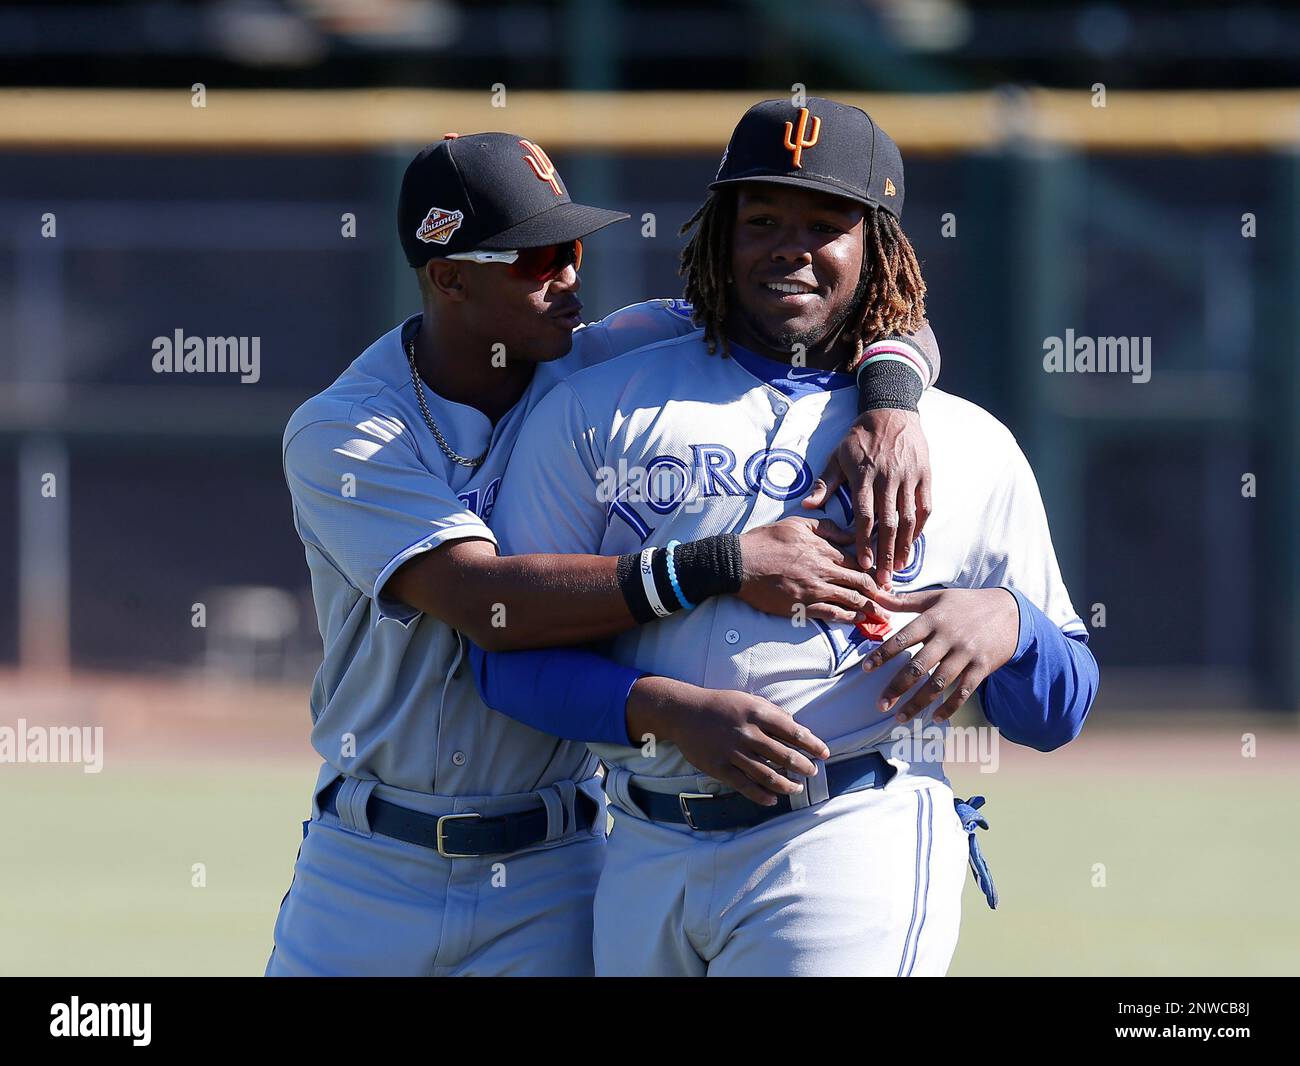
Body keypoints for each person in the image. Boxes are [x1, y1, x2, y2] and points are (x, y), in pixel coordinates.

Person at [265, 128, 945, 976]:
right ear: (448, 277)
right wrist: (723, 563)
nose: (567, 275)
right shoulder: (349, 430)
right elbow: (488, 607)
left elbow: (861, 300)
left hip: (559, 865)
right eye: (532, 258)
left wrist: (890, 402)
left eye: (571, 246)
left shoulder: (606, 357)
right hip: (366, 866)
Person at [482, 98, 1100, 976]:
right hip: (642, 851)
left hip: (851, 832)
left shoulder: (964, 442)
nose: (789, 246)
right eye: (761, 219)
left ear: (877, 246)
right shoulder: (597, 403)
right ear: (719, 235)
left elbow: (1059, 710)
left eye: (826, 223)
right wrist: (668, 713)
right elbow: (506, 659)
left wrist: (1011, 623)